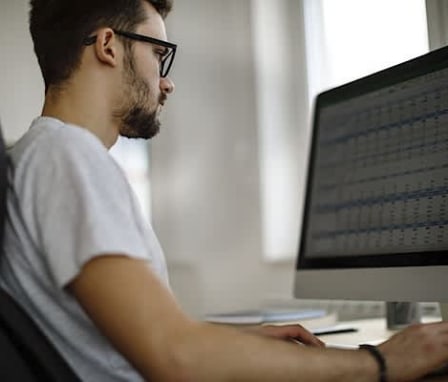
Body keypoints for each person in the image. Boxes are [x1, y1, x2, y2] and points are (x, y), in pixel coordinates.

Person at [1, 0, 448, 381]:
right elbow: (173, 356)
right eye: (159, 54)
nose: (166, 81)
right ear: (108, 46)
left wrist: (224, 341)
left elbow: (118, 340)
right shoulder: (69, 157)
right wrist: (379, 361)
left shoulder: (39, 155)